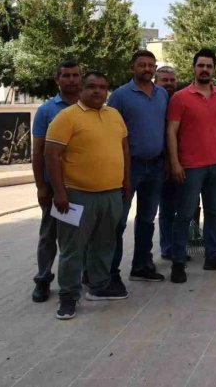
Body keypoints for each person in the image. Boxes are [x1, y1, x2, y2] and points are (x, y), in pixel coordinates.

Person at [45, 72, 130, 320]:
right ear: (82, 89)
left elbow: (124, 148)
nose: (98, 92)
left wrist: (126, 181)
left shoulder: (114, 115)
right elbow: (51, 156)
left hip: (112, 194)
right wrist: (59, 192)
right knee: (73, 248)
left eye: (103, 87)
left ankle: (99, 285)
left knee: (105, 243)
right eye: (92, 87)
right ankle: (68, 296)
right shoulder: (67, 117)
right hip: (76, 196)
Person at [166, 48, 216, 283]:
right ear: (194, 68)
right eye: (201, 65)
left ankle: (212, 256)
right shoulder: (180, 97)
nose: (205, 69)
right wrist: (175, 162)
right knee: (185, 214)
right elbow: (171, 131)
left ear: (214, 70)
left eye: (209, 66)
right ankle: (178, 261)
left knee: (215, 212)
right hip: (190, 167)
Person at [106, 50, 170, 290]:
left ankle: (141, 266)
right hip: (128, 168)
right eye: (142, 65)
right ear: (132, 68)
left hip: (155, 167)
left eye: (151, 65)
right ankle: (110, 272)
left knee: (146, 219)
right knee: (118, 222)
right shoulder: (120, 96)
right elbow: (111, 133)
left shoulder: (162, 94)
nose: (147, 69)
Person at [30, 60, 81, 303]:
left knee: (80, 235)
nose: (71, 80)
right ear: (57, 79)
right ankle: (43, 279)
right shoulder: (47, 111)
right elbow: (38, 151)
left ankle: (77, 278)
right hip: (54, 186)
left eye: (75, 75)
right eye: (66, 76)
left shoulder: (91, 106)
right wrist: (41, 186)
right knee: (49, 235)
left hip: (83, 185)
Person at [155, 66, 180, 261]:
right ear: (157, 81)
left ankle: (178, 244)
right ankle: (167, 247)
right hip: (157, 163)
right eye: (165, 80)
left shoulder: (179, 100)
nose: (169, 84)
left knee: (178, 206)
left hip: (181, 162)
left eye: (172, 80)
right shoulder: (155, 102)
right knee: (165, 208)